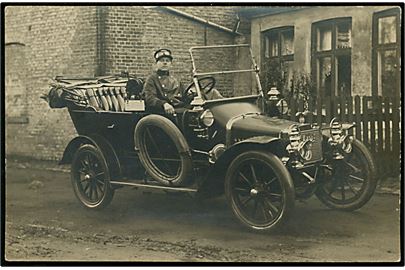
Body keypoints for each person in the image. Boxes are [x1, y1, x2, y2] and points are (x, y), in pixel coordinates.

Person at [143, 48, 184, 115]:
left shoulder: (176, 80)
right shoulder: (152, 79)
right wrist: (163, 104)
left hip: (178, 108)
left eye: (167, 61)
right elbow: (149, 98)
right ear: (157, 64)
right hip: (161, 112)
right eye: (162, 60)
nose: (165, 63)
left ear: (171, 64)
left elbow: (184, 95)